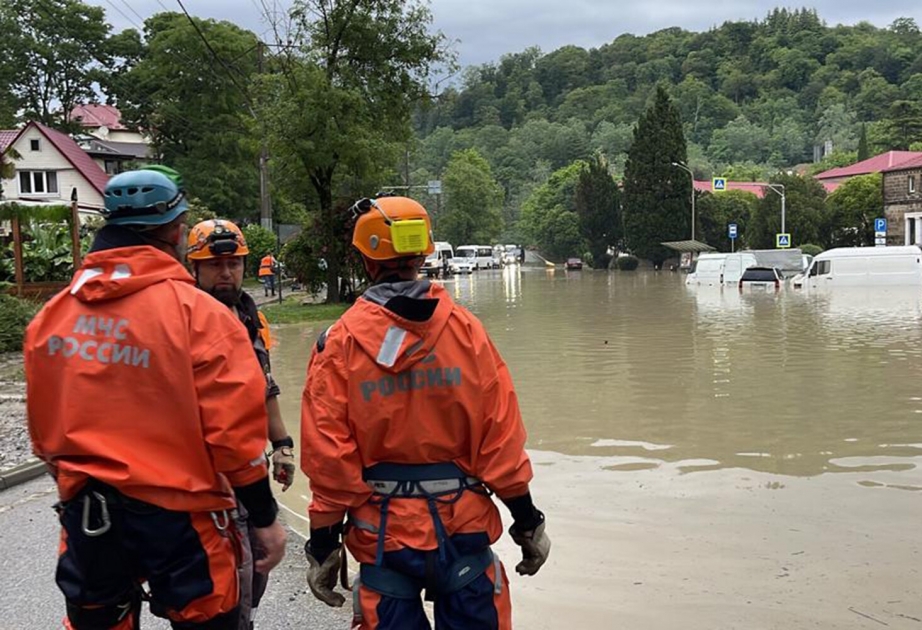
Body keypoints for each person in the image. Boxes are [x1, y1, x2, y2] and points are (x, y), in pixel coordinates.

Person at [24, 169, 286, 629]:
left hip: (91, 516)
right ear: (175, 231)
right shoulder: (200, 316)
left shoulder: (53, 316)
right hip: (183, 521)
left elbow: (45, 434)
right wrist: (264, 517)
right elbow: (235, 438)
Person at [300, 195, 550, 629]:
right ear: (423, 253)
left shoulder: (336, 345)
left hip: (383, 540)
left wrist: (323, 543)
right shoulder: (467, 332)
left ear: (364, 259)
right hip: (463, 532)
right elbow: (500, 441)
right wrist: (528, 523)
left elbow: (329, 461)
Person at [186, 218, 297, 628]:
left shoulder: (250, 318)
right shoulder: (184, 321)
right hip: (203, 480)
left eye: (234, 264)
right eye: (216, 266)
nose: (227, 272)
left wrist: (282, 443)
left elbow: (263, 387)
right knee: (220, 592)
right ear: (193, 268)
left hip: (247, 473)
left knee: (254, 576)